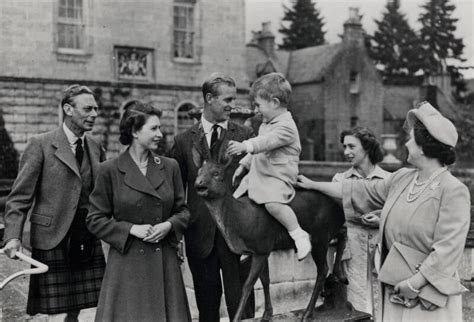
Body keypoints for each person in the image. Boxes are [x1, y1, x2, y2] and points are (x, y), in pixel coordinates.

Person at [296, 101, 470, 321]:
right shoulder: (403, 178)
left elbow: (448, 250)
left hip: (427, 294)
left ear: (425, 147)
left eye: (411, 139)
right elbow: (357, 190)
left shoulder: (453, 190)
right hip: (396, 285)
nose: (406, 144)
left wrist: (414, 284)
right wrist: (311, 184)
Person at [3, 84, 106, 321]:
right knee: (56, 314)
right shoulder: (40, 144)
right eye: (88, 109)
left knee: (78, 310)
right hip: (52, 237)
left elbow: (103, 193)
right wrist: (13, 236)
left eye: (96, 109)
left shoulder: (94, 146)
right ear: (68, 109)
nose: (94, 114)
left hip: (86, 236)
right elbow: (19, 196)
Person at [86, 102, 191, 322]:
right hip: (127, 266)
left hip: (165, 265)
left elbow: (183, 211)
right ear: (134, 131)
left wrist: (168, 225)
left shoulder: (169, 166)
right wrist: (131, 229)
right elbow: (94, 219)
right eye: (153, 129)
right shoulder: (110, 170)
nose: (160, 134)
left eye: (160, 128)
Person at [170, 72, 255, 322]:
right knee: (207, 310)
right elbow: (175, 192)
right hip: (199, 237)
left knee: (242, 309)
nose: (232, 105)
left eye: (233, 99)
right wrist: (178, 235)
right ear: (209, 98)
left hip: (238, 236)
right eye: (227, 99)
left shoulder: (246, 138)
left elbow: (254, 185)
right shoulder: (183, 141)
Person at [228, 72, 311, 261]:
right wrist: (243, 165)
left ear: (274, 102)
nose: (255, 110)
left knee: (272, 204)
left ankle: (298, 234)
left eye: (258, 105)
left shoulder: (286, 127)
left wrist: (245, 146)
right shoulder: (267, 122)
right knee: (237, 200)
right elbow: (260, 150)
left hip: (277, 175)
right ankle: (250, 242)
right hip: (261, 173)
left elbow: (265, 142)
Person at [329, 127, 390, 315]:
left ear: (367, 147)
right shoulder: (339, 180)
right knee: (355, 304)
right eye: (344, 146)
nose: (346, 152)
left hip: (383, 250)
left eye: (351, 146)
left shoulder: (388, 180)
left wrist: (381, 220)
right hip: (352, 250)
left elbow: (401, 216)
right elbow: (334, 219)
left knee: (385, 302)